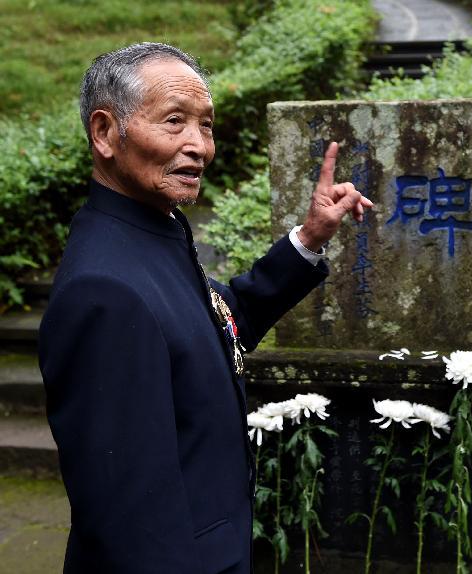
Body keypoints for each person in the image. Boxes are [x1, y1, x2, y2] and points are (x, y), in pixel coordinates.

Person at [38, 42, 372, 573]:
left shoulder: (152, 227)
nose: (199, 146)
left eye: (207, 125)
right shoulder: (103, 290)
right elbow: (130, 517)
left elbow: (216, 324)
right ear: (105, 133)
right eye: (174, 121)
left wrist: (308, 239)